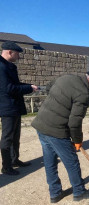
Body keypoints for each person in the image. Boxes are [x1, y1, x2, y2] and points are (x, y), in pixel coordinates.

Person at [31, 69, 89, 203]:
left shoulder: (66, 77)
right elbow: (74, 122)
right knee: (72, 162)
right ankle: (79, 192)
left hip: (41, 125)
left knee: (50, 162)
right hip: (56, 131)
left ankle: (55, 193)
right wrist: (78, 140)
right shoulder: (84, 94)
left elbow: (49, 87)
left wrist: (59, 102)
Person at [0, 41, 39, 175]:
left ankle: (14, 160)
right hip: (7, 108)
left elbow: (15, 84)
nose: (19, 57)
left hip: (14, 107)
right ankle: (6, 166)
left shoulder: (8, 66)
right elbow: (9, 88)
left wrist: (29, 85)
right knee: (7, 138)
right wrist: (28, 88)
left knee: (15, 136)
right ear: (9, 52)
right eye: (17, 54)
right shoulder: (1, 67)